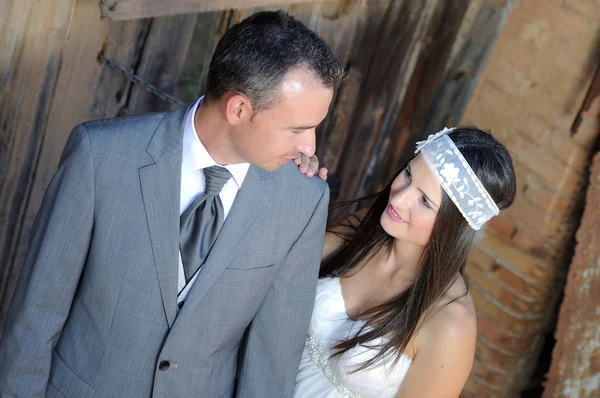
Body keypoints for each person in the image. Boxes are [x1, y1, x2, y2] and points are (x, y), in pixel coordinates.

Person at [0, 10, 343, 398]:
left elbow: (271, 361)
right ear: (239, 109)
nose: (309, 147)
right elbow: (35, 317)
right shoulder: (100, 157)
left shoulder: (303, 199)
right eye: (297, 129)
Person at [294, 126, 517, 397]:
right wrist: (296, 187)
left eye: (424, 200)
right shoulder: (366, 229)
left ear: (454, 226)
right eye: (408, 174)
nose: (399, 198)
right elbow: (285, 268)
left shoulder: (450, 323)